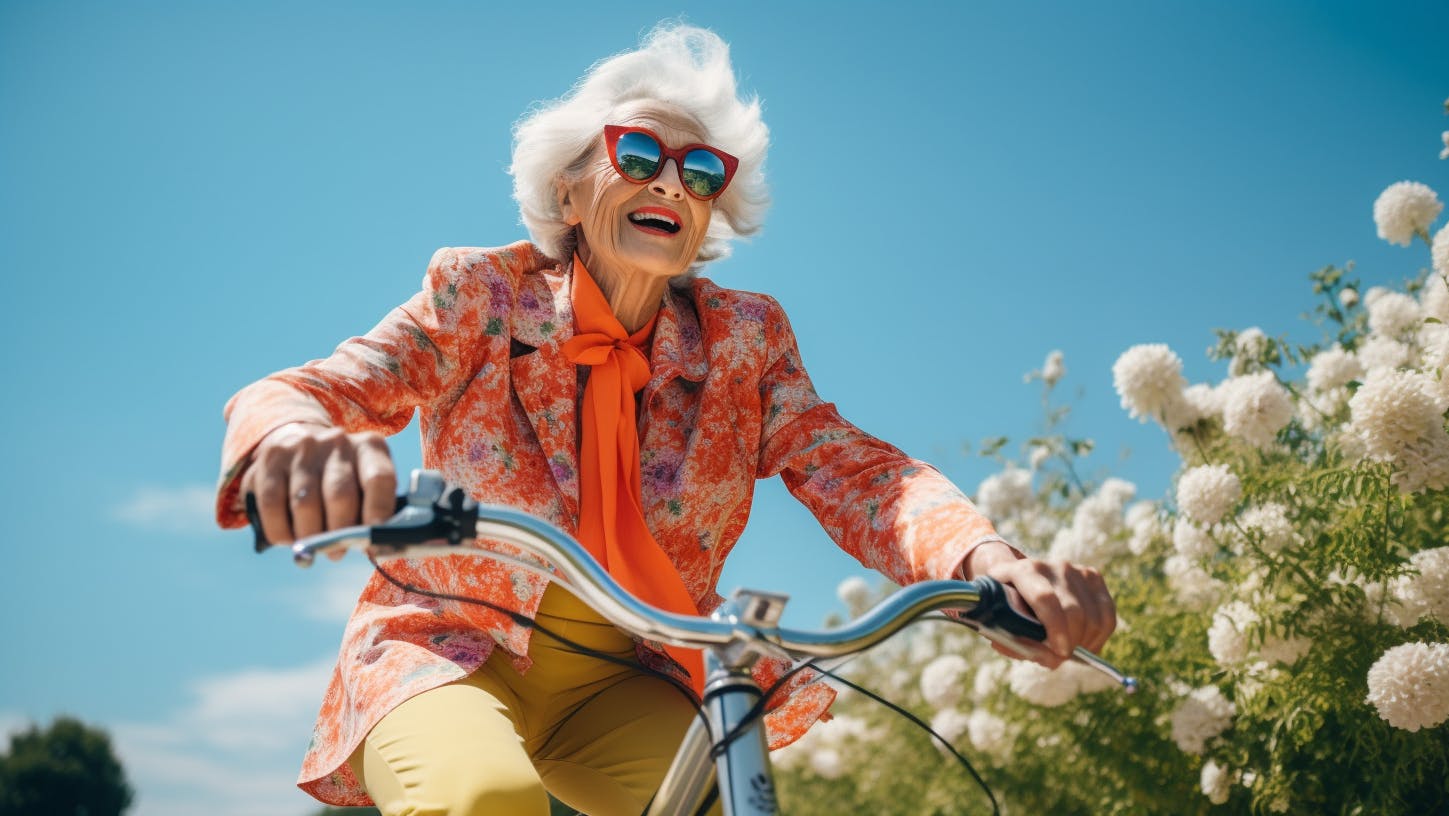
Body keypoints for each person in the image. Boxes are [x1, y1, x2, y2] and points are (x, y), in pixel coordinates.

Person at [216, 23, 1116, 816]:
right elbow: (315, 389)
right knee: (487, 801)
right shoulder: (479, 295)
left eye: (701, 172)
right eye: (639, 156)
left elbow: (858, 471)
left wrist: (987, 563)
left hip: (622, 674)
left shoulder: (744, 340)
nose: (673, 184)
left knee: (724, 801)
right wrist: (291, 443)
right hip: (447, 645)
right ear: (568, 193)